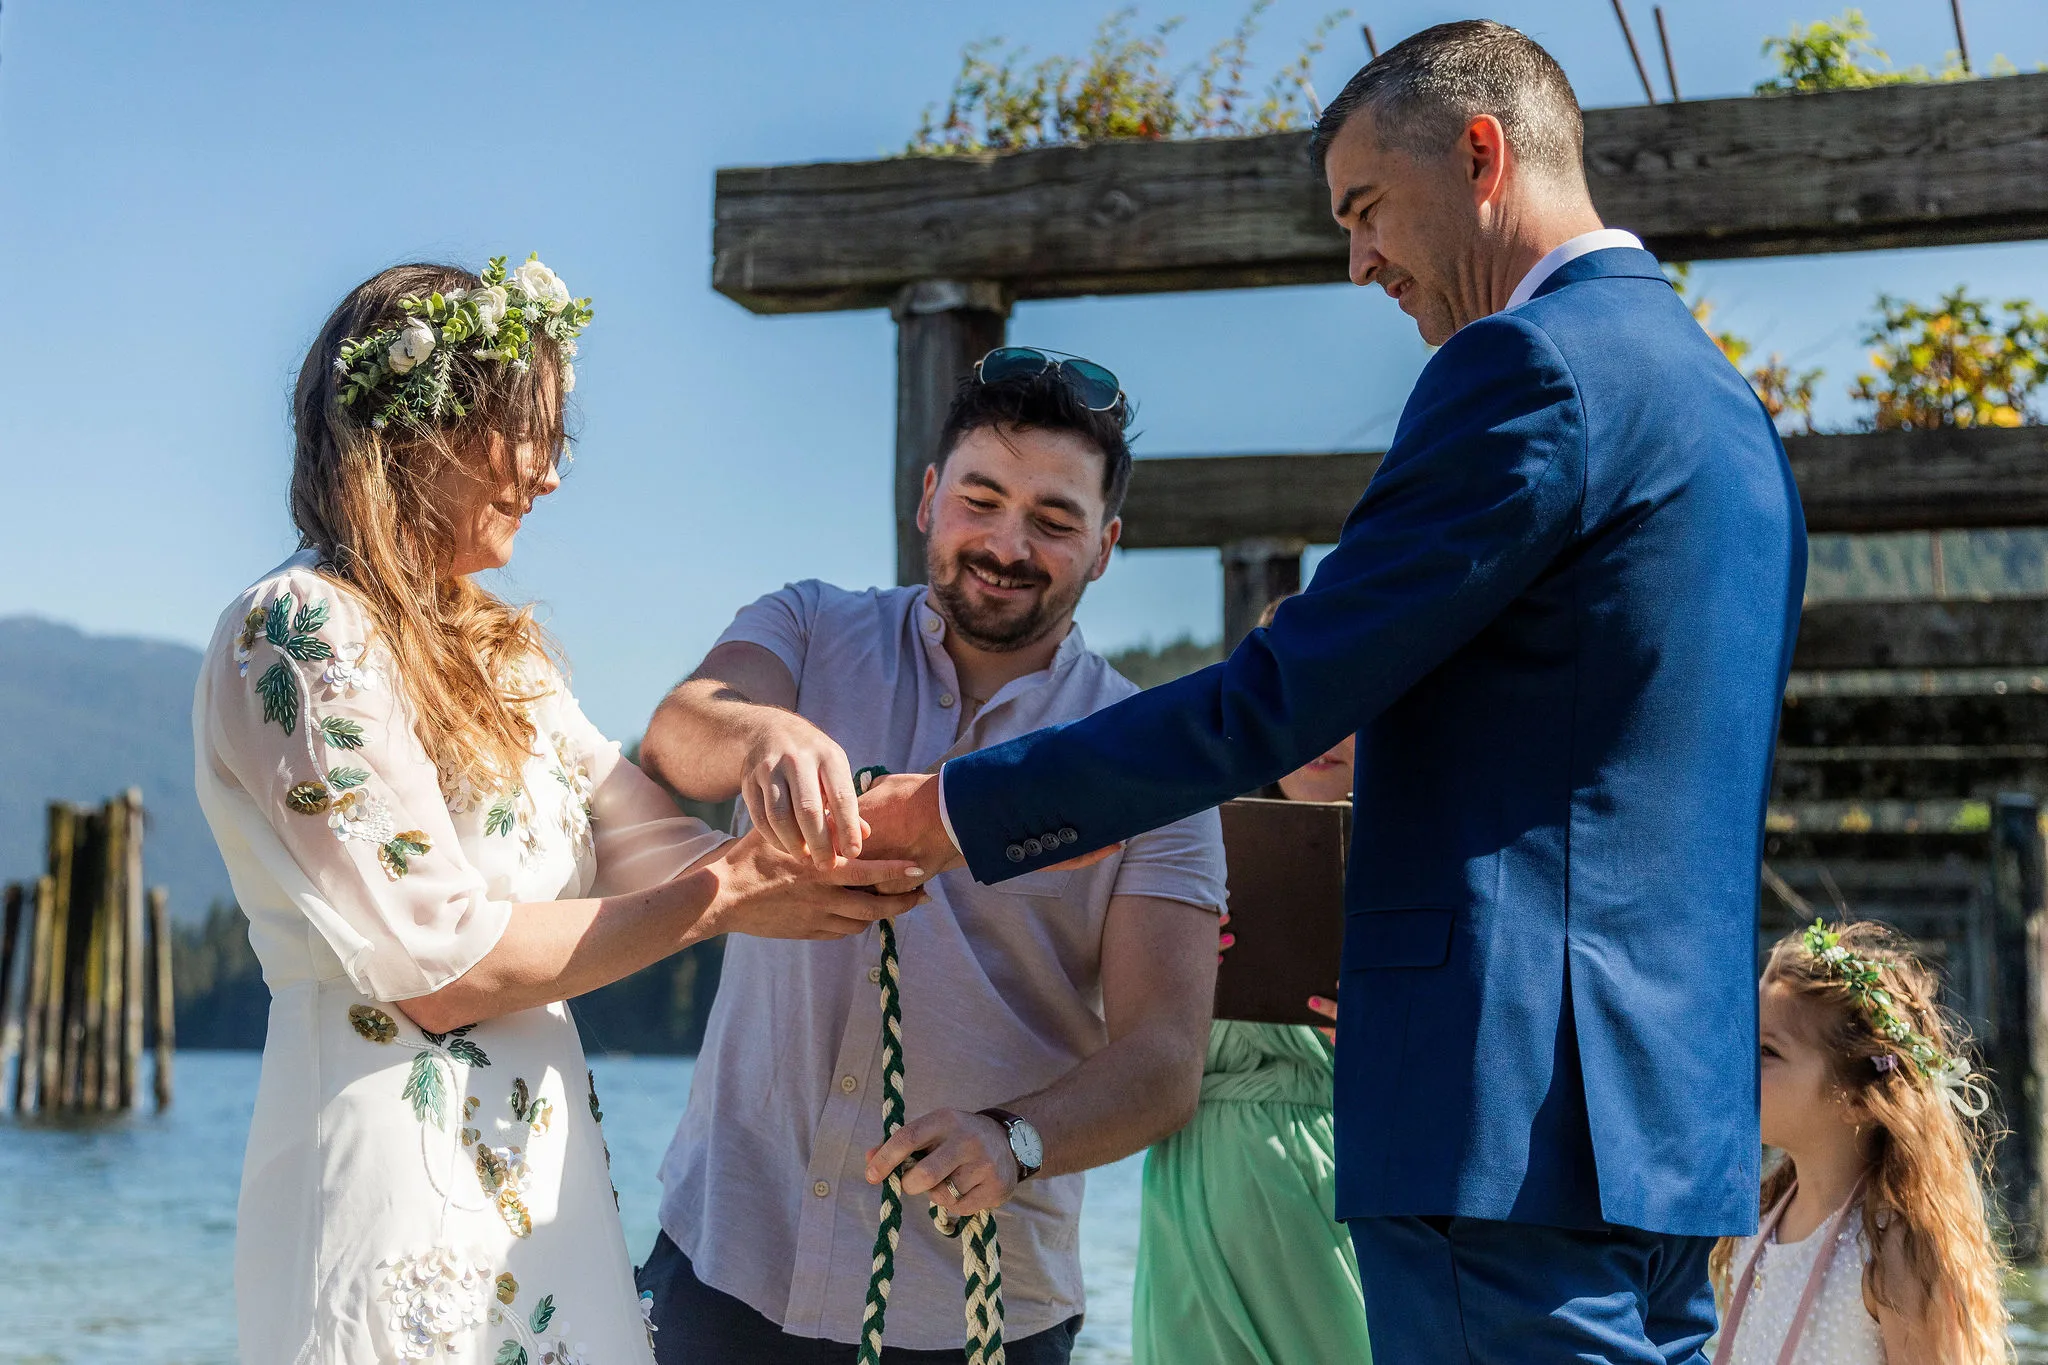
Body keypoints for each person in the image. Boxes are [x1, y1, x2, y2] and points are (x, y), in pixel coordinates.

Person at [855, 21, 1808, 1364]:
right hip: (1667, 1118)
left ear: (1481, 152)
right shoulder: (1728, 413)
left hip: (1502, 1108)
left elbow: (1279, 697)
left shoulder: (1524, 368)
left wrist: (958, 807)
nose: (1358, 260)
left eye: (1366, 208)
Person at [194, 259, 923, 1364]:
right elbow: (437, 968)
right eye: (525, 432)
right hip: (395, 1172)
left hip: (547, 1188)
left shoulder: (504, 654)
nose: (548, 475)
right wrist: (723, 895)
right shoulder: (298, 630)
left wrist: (865, 838)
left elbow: (649, 842)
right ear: (425, 434)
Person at [634, 350, 1227, 1364]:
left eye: (1052, 520)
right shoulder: (808, 625)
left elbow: (1163, 1062)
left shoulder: (1150, 761)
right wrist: (762, 738)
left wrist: (1017, 1140)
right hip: (722, 1265)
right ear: (927, 499)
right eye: (980, 500)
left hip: (976, 1312)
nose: (1006, 544)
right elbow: (682, 731)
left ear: (1104, 546)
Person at [1133, 596, 1371, 1365]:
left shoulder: (1433, 865)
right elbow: (1112, 1042)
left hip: (1345, 1179)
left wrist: (1387, 1039)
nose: (1313, 729)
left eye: (1339, 700)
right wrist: (1171, 971)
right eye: (1286, 698)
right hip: (1193, 1180)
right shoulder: (1185, 840)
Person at [1711, 921, 2010, 1365]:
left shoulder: (1893, 1249)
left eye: (1767, 1052)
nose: (1739, 1063)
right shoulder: (1755, 1219)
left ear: (1855, 1099)